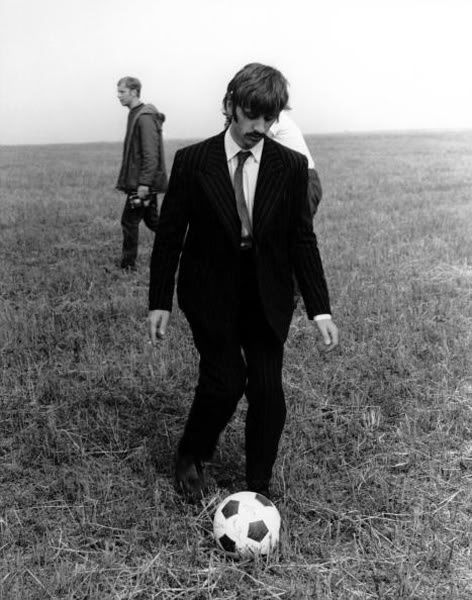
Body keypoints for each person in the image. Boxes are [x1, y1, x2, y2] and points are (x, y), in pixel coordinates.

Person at [148, 63, 339, 500]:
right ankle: (191, 454)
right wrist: (159, 300)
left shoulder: (289, 166)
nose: (260, 127)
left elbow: (301, 239)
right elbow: (171, 236)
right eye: (252, 115)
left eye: (269, 119)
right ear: (230, 105)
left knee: (268, 390)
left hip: (267, 292)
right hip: (209, 290)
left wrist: (319, 308)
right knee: (225, 379)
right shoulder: (193, 161)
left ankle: (258, 485)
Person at [116, 76, 168, 270]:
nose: (118, 96)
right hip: (142, 182)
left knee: (129, 221)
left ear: (134, 92)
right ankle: (188, 246)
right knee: (154, 221)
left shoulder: (144, 117)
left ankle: (127, 266)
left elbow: (150, 153)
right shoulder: (135, 114)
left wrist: (144, 183)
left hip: (143, 183)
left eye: (122, 91)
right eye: (118, 91)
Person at [269, 110, 322, 218]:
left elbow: (257, 142)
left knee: (297, 230)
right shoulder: (276, 116)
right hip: (299, 180)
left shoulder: (275, 117)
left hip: (304, 181)